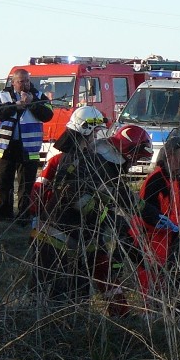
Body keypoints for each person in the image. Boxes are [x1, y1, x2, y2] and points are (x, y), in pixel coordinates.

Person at [29, 107, 149, 310]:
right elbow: (71, 198)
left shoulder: (83, 158)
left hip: (73, 235)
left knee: (70, 291)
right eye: (96, 131)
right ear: (85, 130)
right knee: (57, 295)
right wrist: (104, 207)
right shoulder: (76, 160)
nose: (99, 137)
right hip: (59, 235)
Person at [133, 137, 180, 294]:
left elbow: (177, 203)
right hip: (151, 241)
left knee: (165, 285)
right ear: (170, 156)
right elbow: (148, 217)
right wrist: (179, 224)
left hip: (168, 239)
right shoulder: (156, 181)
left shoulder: (174, 178)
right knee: (151, 287)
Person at [0, 69, 54, 222]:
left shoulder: (38, 95)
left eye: (27, 81)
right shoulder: (2, 95)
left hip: (29, 148)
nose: (25, 84)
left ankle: (24, 215)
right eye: (21, 81)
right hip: (7, 147)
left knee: (26, 185)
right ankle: (4, 214)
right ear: (13, 82)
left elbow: (48, 115)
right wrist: (14, 106)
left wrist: (32, 104)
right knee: (4, 183)